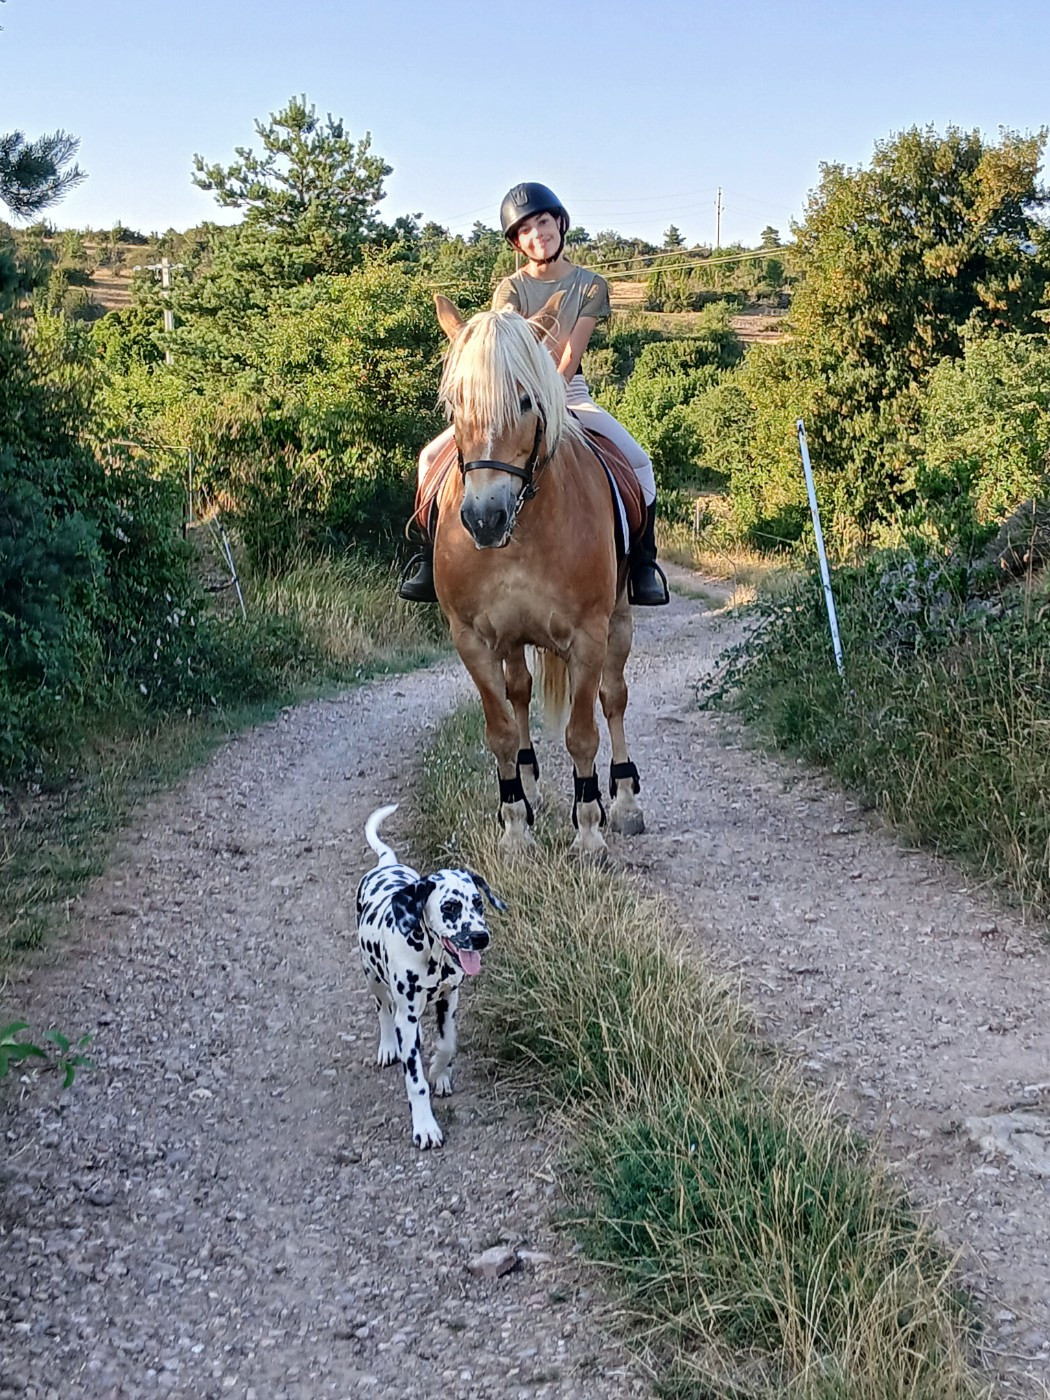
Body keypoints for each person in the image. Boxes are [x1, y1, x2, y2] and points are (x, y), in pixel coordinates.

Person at [399, 182, 668, 606]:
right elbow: (500, 351)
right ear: (516, 243)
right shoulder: (509, 289)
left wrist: (549, 398)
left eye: (542, 222)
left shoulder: (590, 285)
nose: (537, 234)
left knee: (639, 463)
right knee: (430, 459)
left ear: (559, 223)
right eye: (524, 230)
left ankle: (642, 566)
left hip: (567, 391)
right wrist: (514, 397)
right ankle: (429, 560)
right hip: (509, 399)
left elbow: (571, 354)